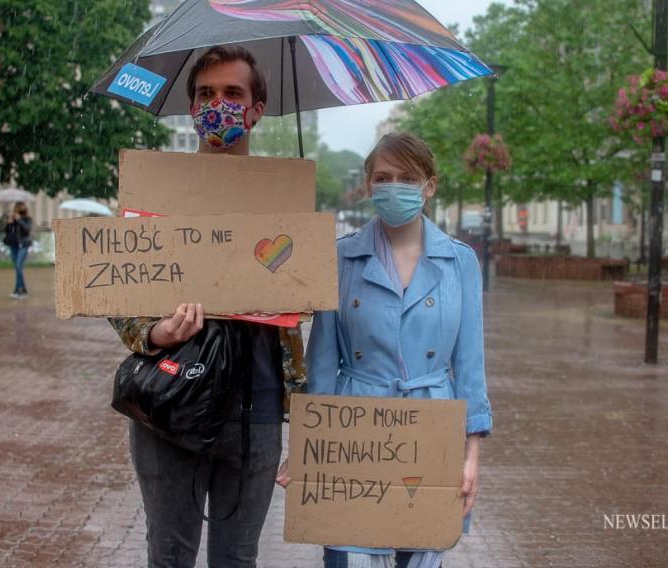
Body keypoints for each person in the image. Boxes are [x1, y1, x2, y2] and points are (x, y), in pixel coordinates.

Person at [109, 45, 306, 567]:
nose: (217, 104)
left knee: (237, 559)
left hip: (257, 411)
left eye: (233, 93)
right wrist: (155, 334)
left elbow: (303, 298)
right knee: (169, 556)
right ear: (192, 107)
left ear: (257, 108)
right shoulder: (157, 190)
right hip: (172, 399)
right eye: (206, 94)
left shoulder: (284, 195)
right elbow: (115, 282)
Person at [277, 133, 493, 568]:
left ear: (429, 186)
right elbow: (321, 364)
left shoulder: (460, 262)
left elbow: (470, 365)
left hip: (431, 429)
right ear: (369, 185)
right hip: (355, 431)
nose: (395, 187)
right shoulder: (341, 258)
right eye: (384, 177)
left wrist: (471, 458)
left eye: (407, 178)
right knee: (349, 552)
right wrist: (307, 446)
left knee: (423, 550)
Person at [5, 201, 32, 299]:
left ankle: (19, 290)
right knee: (17, 268)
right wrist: (9, 223)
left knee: (18, 265)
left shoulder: (28, 219)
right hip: (13, 245)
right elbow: (8, 232)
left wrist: (19, 219)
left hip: (23, 245)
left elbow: (27, 229)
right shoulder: (13, 219)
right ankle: (21, 290)